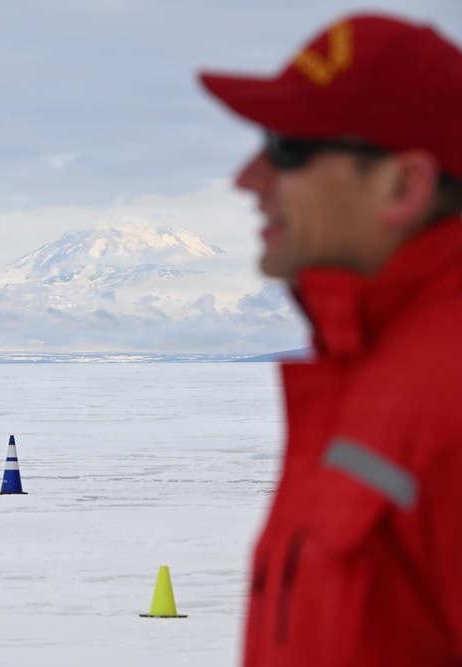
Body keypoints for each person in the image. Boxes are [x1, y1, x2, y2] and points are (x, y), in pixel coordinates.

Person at [199, 13, 462, 666]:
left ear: (402, 184)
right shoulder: (378, 371)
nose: (248, 178)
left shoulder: (446, 388)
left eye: (287, 148)